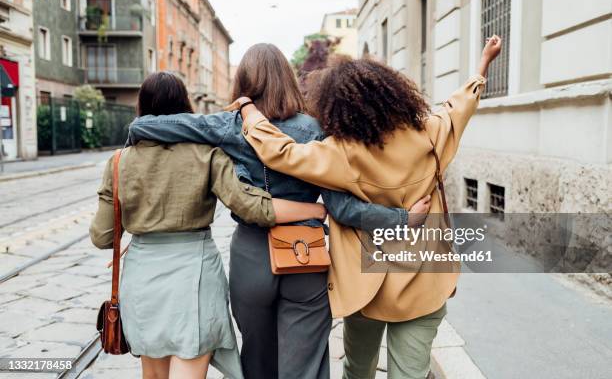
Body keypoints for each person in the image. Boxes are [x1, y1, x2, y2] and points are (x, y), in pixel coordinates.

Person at [126, 45, 431, 379]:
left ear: (243, 83)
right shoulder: (316, 131)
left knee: (257, 358)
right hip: (306, 255)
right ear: (288, 80)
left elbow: (154, 126)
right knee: (305, 364)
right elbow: (344, 209)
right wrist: (403, 219)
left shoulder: (229, 125)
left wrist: (138, 129)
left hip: (251, 256)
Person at [234, 36, 503, 378]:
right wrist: (483, 63)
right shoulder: (429, 135)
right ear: (393, 93)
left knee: (358, 369)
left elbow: (281, 152)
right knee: (410, 372)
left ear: (338, 106)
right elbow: (458, 107)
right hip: (424, 281)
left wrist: (250, 112)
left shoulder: (339, 152)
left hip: (367, 286)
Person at [90, 72, 336, 379]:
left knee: (152, 375)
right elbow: (250, 205)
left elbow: (102, 237)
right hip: (194, 275)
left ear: (141, 106)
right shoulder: (207, 154)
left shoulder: (118, 161)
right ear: (185, 106)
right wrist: (314, 208)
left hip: (142, 279)